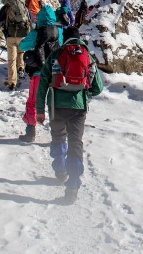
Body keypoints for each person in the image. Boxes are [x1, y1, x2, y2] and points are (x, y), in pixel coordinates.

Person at [36, 26, 103, 203]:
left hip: (56, 105)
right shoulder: (87, 56)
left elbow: (42, 83)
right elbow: (98, 88)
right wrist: (85, 95)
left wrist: (40, 110)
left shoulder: (56, 55)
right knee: (75, 144)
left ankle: (60, 170)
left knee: (58, 137)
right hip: (78, 108)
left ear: (64, 39)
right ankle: (73, 187)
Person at [18, 5, 63, 142]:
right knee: (56, 103)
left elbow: (22, 46)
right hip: (55, 73)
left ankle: (30, 132)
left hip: (38, 72)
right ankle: (58, 136)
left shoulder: (36, 32)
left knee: (33, 101)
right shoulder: (59, 32)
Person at [0, 0, 31, 90]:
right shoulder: (24, 7)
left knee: (11, 59)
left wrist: (1, 28)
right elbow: (31, 20)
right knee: (21, 52)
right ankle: (21, 68)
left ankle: (12, 82)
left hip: (10, 35)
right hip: (23, 34)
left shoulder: (6, 7)